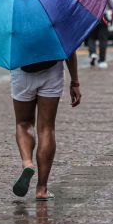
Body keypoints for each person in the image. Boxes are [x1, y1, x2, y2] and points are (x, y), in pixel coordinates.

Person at [11, 56, 81, 201]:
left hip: (22, 71)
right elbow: (70, 48)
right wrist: (74, 81)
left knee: (23, 123)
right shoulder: (57, 30)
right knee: (46, 128)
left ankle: (27, 163)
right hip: (52, 71)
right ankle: (41, 189)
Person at [88, 0, 113, 69]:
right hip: (103, 16)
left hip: (91, 15)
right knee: (103, 39)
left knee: (91, 37)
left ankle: (93, 53)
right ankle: (102, 61)